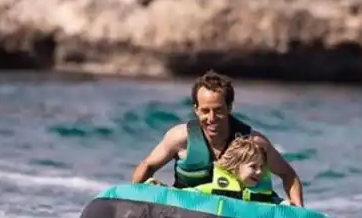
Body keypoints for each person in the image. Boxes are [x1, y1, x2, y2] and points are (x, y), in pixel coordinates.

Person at [130, 70, 305, 206]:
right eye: (205, 111)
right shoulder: (180, 138)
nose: (211, 118)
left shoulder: (253, 143)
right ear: (196, 109)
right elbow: (148, 166)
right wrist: (131, 203)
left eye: (218, 110)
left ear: (229, 107)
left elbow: (288, 175)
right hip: (187, 214)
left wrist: (299, 213)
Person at [192, 135, 279, 203]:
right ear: (235, 166)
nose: (259, 171)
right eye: (253, 166)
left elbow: (281, 207)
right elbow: (186, 197)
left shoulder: (268, 196)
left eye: (261, 167)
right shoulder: (206, 188)